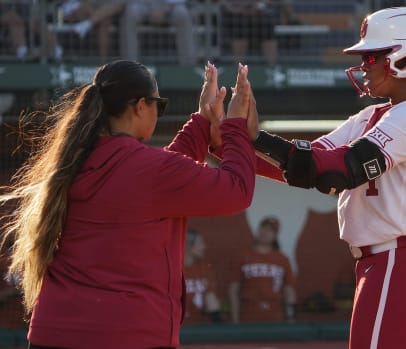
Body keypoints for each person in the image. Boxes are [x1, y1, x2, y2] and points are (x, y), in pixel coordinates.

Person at [240, 7, 406, 348]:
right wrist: (230, 145)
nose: (366, 64)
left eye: (375, 55)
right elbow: (309, 166)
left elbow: (340, 171)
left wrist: (257, 139)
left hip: (404, 261)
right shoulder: (376, 114)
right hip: (391, 262)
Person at [0, 60, 257, 348]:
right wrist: (235, 126)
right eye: (158, 105)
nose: (158, 113)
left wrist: (201, 123)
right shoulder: (150, 171)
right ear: (139, 107)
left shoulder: (74, 158)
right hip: (128, 335)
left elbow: (155, 180)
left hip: (52, 333)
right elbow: (238, 190)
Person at [228, 216, 297, 324]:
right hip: (248, 315)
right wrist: (235, 319)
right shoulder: (242, 255)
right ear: (258, 229)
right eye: (263, 228)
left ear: (275, 235)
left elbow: (289, 290)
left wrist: (291, 318)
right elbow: (233, 289)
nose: (265, 232)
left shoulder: (282, 259)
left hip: (275, 315)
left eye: (270, 230)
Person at [221, 0, 297, 65]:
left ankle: (272, 68)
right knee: (239, 27)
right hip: (238, 17)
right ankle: (237, 71)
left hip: (262, 18)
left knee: (267, 26)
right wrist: (234, 8)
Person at [120, 0, 196, 65]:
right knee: (130, 12)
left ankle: (188, 64)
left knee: (183, 14)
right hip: (142, 3)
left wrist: (165, 8)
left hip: (171, 4)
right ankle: (129, 65)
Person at [59, 0, 126, 60]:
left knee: (115, 9)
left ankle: (86, 24)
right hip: (74, 8)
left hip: (92, 6)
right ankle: (104, 63)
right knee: (104, 20)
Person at [184, 228, 222, 324]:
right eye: (200, 243)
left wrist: (218, 323)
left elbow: (211, 299)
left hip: (199, 326)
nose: (204, 247)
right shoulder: (172, 269)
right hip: (177, 327)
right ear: (188, 245)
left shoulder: (204, 268)